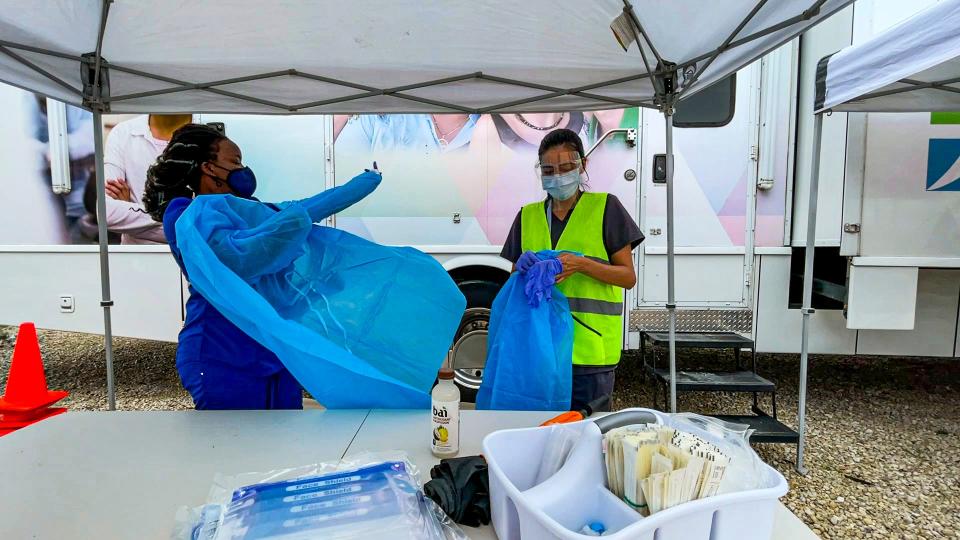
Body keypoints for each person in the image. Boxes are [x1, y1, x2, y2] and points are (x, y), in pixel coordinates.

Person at [500, 128, 644, 412]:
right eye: (549, 169)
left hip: (589, 351)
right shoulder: (527, 216)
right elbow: (513, 282)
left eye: (566, 167)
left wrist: (582, 264)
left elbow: (627, 277)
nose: (558, 175)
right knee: (541, 435)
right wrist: (522, 270)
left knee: (588, 436)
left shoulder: (606, 208)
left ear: (583, 166)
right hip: (542, 348)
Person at [103, 114, 193, 244]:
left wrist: (131, 211)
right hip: (135, 259)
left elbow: (212, 224)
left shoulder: (212, 132)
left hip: (197, 260)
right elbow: (108, 213)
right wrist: (187, 223)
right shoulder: (123, 132)